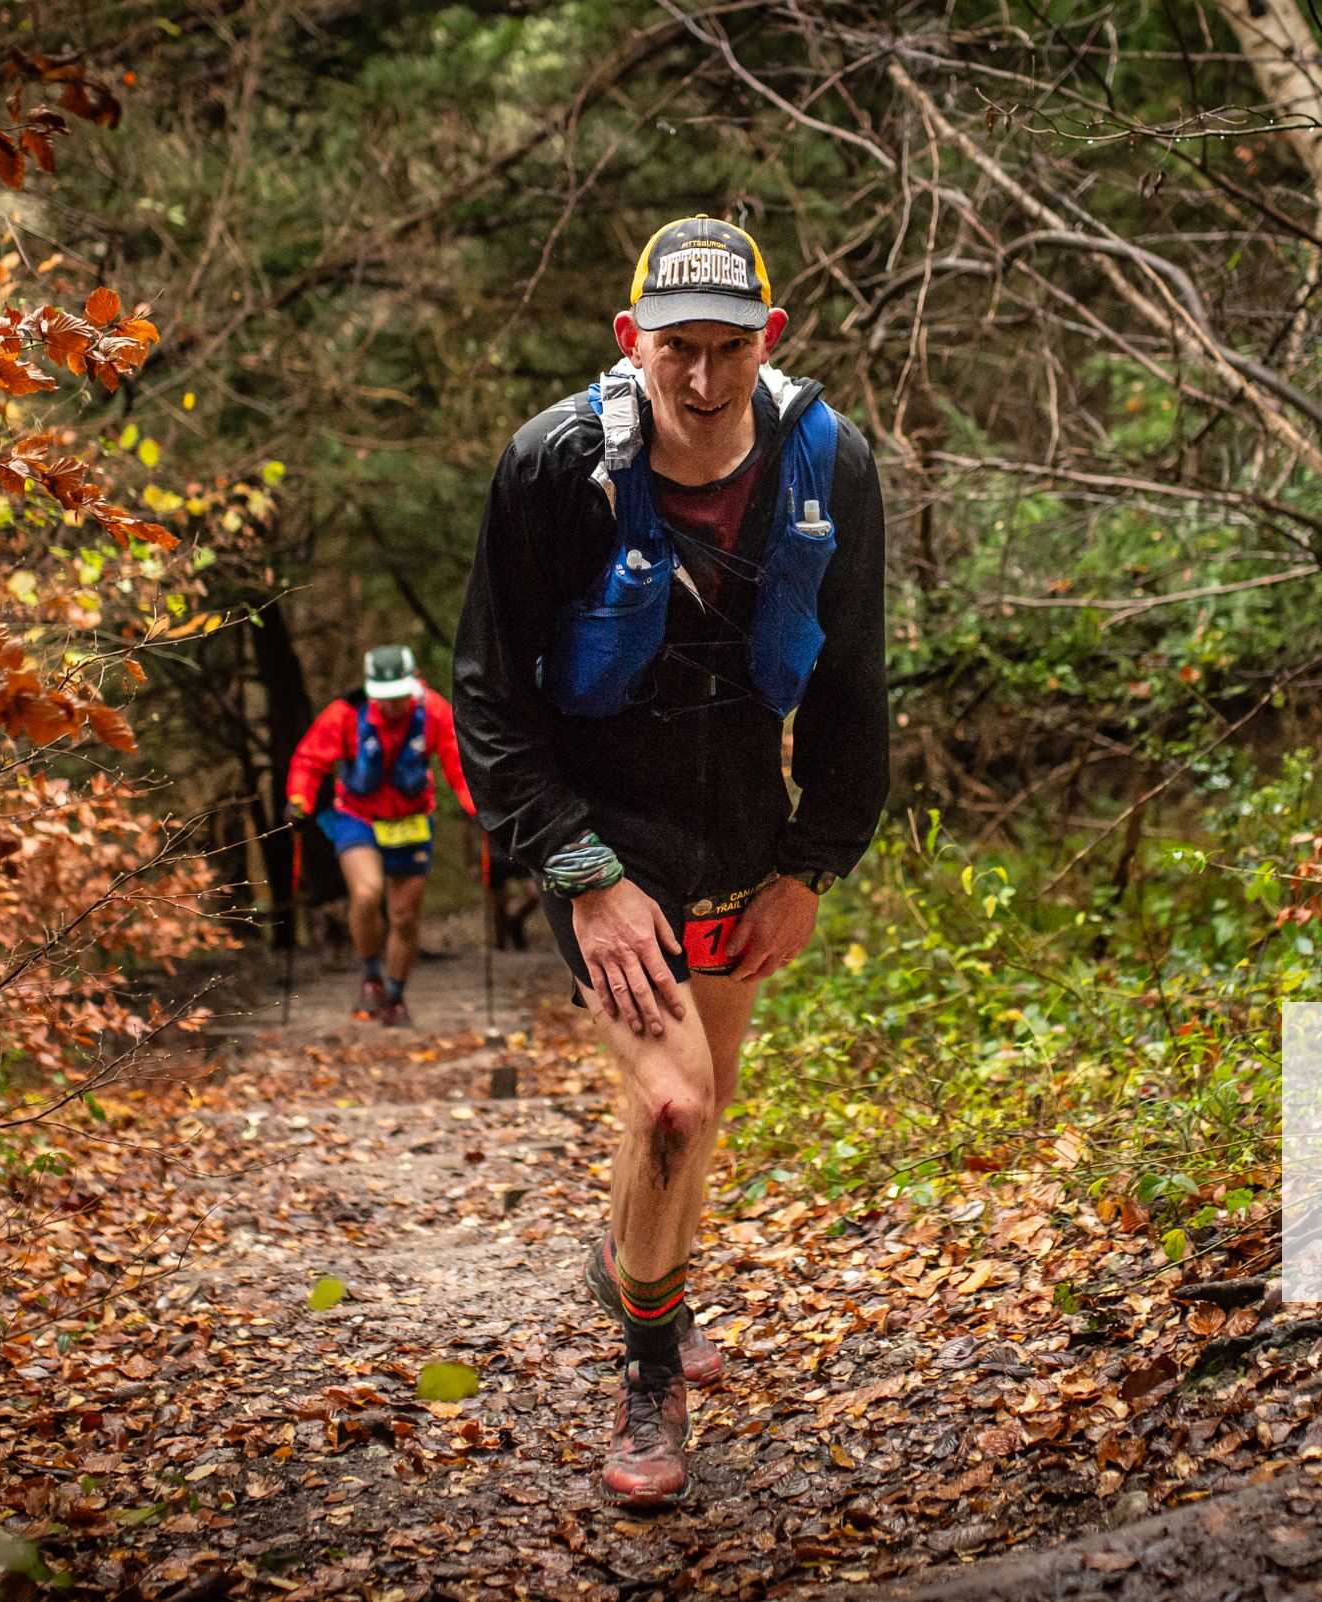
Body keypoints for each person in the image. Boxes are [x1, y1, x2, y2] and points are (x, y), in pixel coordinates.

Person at [452, 215, 889, 1505]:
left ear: (773, 337)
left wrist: (812, 865)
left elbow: (853, 685)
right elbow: (490, 698)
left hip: (741, 830)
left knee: (705, 1109)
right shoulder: (553, 467)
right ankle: (648, 1379)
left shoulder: (830, 465)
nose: (702, 380)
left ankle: (631, 1268)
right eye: (676, 349)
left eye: (730, 349)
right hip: (603, 832)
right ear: (628, 339)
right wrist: (583, 874)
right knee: (671, 1105)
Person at [285, 644, 477, 1027]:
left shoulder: (434, 711)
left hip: (412, 820)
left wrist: (477, 807)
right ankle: (371, 976)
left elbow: (458, 763)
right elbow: (309, 759)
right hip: (358, 817)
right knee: (367, 893)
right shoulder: (346, 713)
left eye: (400, 695)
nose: (393, 705)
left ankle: (396, 996)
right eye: (384, 697)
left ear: (413, 684)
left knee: (404, 916)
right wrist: (298, 799)